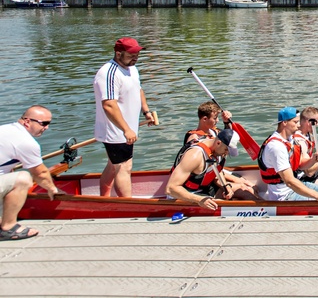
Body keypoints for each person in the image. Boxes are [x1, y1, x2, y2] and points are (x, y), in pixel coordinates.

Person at [93, 37, 155, 197]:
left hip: (127, 129)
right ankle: (128, 204)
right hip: (115, 131)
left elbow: (138, 90)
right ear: (118, 53)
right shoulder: (108, 73)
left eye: (137, 54)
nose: (135, 58)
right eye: (131, 54)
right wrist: (126, 129)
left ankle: (104, 199)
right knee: (124, 167)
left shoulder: (132, 68)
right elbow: (108, 105)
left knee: (113, 165)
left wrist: (146, 112)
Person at [0, 106, 63, 240]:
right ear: (27, 121)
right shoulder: (26, 142)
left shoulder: (6, 129)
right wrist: (52, 189)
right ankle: (8, 227)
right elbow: (40, 173)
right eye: (44, 124)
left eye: (49, 124)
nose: (46, 128)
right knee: (23, 178)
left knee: (10, 174)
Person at [257, 107, 318, 203]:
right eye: (295, 122)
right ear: (284, 122)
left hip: (295, 186)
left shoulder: (290, 140)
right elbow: (289, 181)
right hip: (284, 195)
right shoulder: (276, 147)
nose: (298, 126)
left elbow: (300, 165)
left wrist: (313, 159)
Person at [166, 129, 255, 209]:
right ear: (218, 143)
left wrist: (226, 186)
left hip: (204, 190)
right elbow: (170, 189)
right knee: (230, 206)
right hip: (184, 195)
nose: (226, 153)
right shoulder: (195, 156)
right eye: (226, 150)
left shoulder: (218, 151)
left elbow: (215, 172)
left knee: (245, 190)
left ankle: (264, 209)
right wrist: (200, 200)